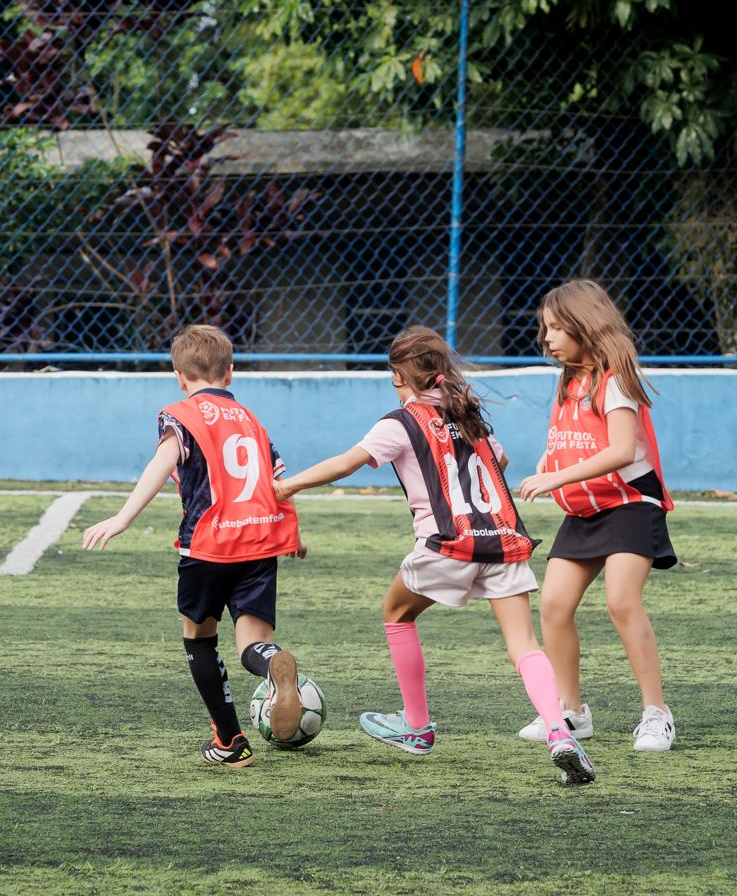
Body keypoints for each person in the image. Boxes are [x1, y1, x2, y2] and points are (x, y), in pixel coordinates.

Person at [275, 325, 596, 785]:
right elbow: (499, 463)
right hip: (502, 539)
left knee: (396, 613)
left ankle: (417, 726)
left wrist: (288, 485)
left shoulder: (401, 421)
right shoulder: (470, 415)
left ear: (399, 376)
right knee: (524, 645)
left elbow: (346, 462)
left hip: (449, 541)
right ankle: (558, 734)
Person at [82, 324, 307, 768]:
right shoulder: (252, 422)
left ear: (180, 377)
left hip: (207, 546)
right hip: (260, 543)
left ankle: (231, 742)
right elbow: (279, 484)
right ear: (231, 373)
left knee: (200, 639)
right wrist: (293, 535)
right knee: (252, 643)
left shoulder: (180, 415)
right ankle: (273, 661)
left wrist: (123, 516)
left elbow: (162, 461)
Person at [515, 279, 679, 753]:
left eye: (555, 328)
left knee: (621, 602)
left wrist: (556, 480)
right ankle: (572, 711)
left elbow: (622, 450)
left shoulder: (615, 379)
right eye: (544, 328)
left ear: (585, 325)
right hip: (586, 508)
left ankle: (657, 714)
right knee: (553, 604)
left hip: (630, 502)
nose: (546, 338)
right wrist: (547, 466)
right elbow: (565, 442)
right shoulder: (569, 380)